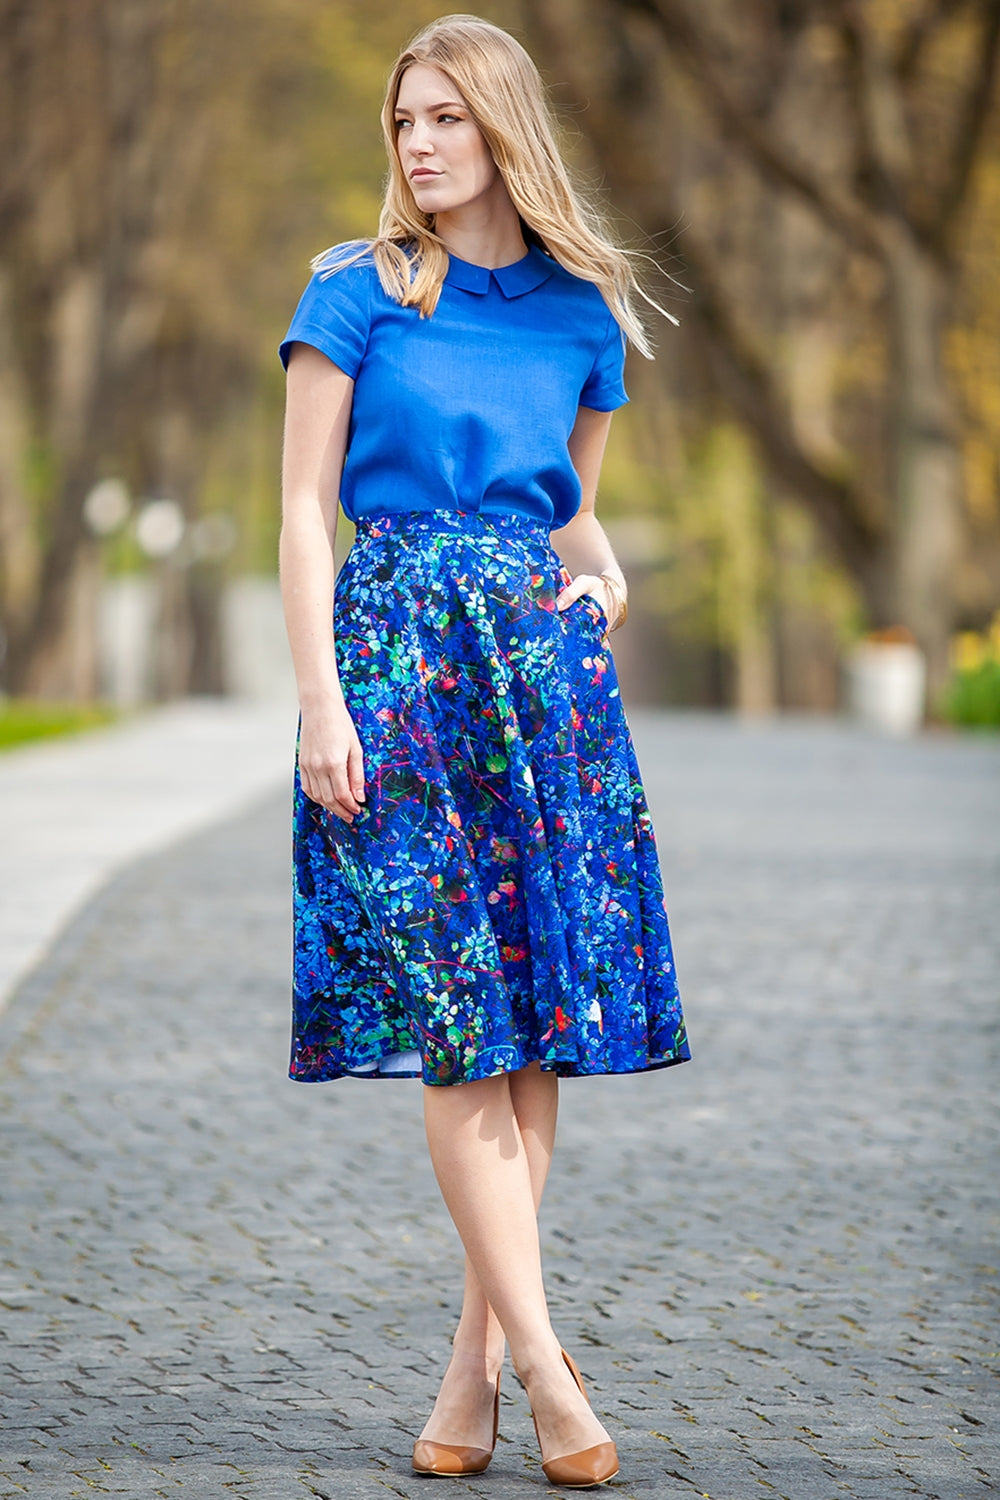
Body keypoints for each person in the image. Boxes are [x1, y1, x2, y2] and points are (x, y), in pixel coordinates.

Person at [277, 13, 690, 1488]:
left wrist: (606, 580)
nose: (420, 144)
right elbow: (302, 509)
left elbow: (566, 507)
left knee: (527, 1032)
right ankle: (553, 1372)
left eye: (446, 117)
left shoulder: (582, 313)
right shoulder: (355, 290)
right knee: (460, 1019)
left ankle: (473, 1368)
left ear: (504, 127)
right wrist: (321, 700)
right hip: (393, 671)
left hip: (539, 690)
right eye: (405, 121)